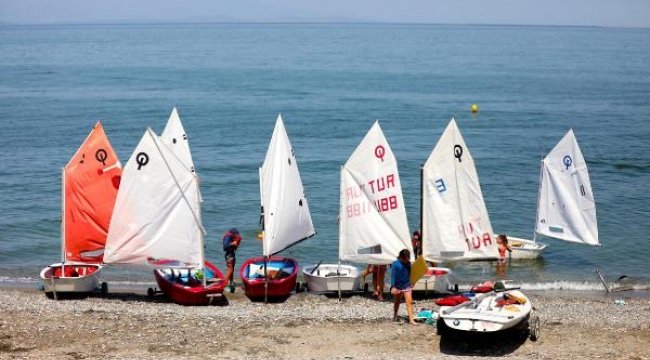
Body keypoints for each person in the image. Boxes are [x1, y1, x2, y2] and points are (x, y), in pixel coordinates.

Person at [390, 249, 416, 325]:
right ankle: (395, 316)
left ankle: (411, 320)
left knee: (409, 302)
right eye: (404, 258)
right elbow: (393, 276)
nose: (406, 260)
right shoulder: (395, 264)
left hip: (406, 285)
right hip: (397, 286)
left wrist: (412, 282)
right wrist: (393, 286)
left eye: (407, 258)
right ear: (401, 257)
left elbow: (410, 274)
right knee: (397, 302)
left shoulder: (408, 264)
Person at [222, 228, 242, 292]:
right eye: (236, 234)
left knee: (232, 270)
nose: (236, 236)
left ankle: (231, 286)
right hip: (229, 255)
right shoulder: (228, 237)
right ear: (233, 234)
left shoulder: (231, 237)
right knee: (230, 270)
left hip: (231, 254)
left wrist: (234, 243)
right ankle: (223, 285)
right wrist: (232, 244)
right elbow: (225, 247)